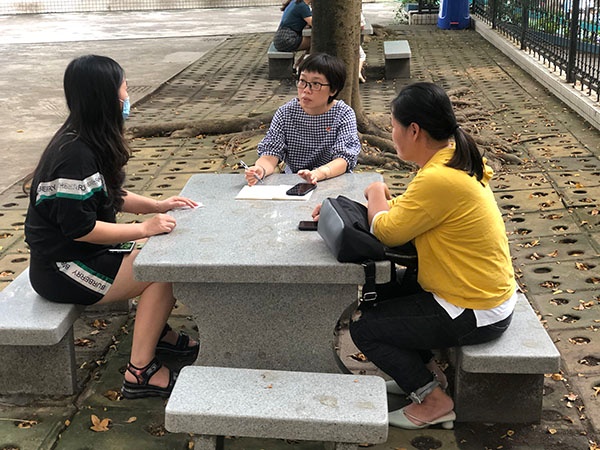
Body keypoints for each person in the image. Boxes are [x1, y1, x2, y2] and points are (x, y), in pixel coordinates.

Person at [342, 82, 517, 429]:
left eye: (393, 125)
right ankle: (423, 378)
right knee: (384, 291)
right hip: (477, 293)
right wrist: (358, 208)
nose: (391, 133)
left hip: (474, 308)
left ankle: (434, 400)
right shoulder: (452, 162)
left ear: (414, 130)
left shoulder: (439, 177)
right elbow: (410, 211)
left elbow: (387, 230)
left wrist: (375, 192)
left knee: (365, 328)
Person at [24, 55, 199, 400]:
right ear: (105, 96)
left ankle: (158, 334)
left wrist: (159, 205)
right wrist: (144, 228)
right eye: (124, 88)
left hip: (83, 254)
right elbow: (81, 229)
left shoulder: (88, 139)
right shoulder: (73, 155)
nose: (127, 95)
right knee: (162, 270)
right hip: (62, 268)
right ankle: (139, 372)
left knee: (163, 251)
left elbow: (112, 195)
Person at [244, 52, 361, 186]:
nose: (306, 90)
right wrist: (261, 169)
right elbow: (271, 153)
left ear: (333, 90)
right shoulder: (285, 113)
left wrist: (318, 174)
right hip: (295, 181)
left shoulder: (343, 114)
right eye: (302, 81)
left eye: (315, 84)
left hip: (333, 181)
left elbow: (344, 159)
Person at [274, 0, 312, 70]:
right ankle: (300, 66)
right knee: (316, 42)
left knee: (312, 42)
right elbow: (315, 23)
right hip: (287, 39)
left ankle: (299, 65)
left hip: (280, 38)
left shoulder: (295, 2)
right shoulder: (302, 6)